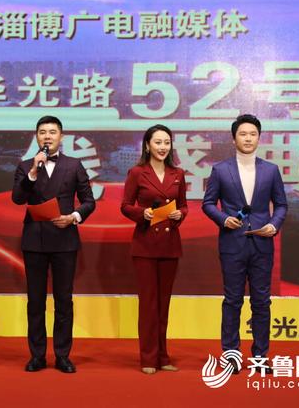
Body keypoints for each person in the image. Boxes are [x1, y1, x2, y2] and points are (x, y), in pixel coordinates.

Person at [202, 114, 287, 374]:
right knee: (232, 301)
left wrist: (274, 224)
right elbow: (208, 203)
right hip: (232, 244)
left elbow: (281, 205)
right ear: (233, 138)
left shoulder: (271, 170)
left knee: (262, 302)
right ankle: (231, 356)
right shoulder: (220, 169)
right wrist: (223, 219)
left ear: (259, 138)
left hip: (262, 244)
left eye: (253, 134)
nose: (248, 138)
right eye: (243, 134)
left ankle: (260, 356)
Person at [12, 115, 95, 374]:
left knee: (63, 301)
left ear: (61, 136)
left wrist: (74, 216)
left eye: (52, 132)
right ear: (36, 136)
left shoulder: (74, 165)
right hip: (34, 240)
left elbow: (89, 201)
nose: (47, 136)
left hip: (64, 240)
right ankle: (37, 356)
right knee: (35, 302)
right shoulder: (26, 166)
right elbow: (17, 198)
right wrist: (32, 173)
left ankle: (62, 355)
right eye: (42, 132)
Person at [120, 124, 188, 375]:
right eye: (158, 142)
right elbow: (125, 205)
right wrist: (143, 213)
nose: (163, 147)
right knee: (149, 305)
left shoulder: (178, 173)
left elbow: (183, 205)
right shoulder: (137, 172)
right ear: (147, 145)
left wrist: (180, 214)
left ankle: (163, 356)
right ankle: (148, 357)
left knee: (163, 305)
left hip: (170, 245)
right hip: (145, 245)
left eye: (167, 142)